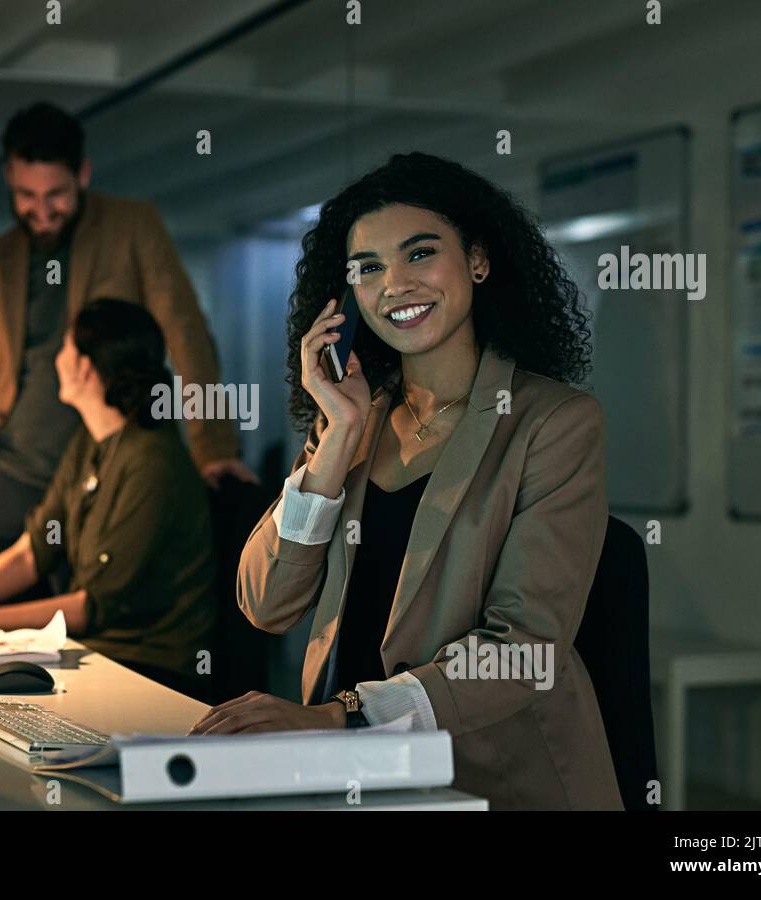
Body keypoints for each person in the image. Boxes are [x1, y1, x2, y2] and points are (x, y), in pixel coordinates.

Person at [190, 152, 623, 810]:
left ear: (477, 261)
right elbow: (266, 602)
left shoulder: (554, 423)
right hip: (351, 775)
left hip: (488, 779)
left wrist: (343, 715)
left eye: (420, 254)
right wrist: (336, 439)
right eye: (367, 269)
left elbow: (523, 648)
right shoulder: (354, 419)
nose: (394, 286)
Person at [0, 101, 255, 574]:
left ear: (82, 174)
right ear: (8, 180)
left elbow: (188, 337)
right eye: (25, 195)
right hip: (5, 475)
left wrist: (214, 450)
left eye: (55, 194)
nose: (41, 210)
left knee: (91, 628)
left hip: (106, 465)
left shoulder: (132, 226)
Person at [0, 299, 216, 696]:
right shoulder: (89, 442)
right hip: (101, 653)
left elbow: (92, 605)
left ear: (84, 367)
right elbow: (31, 552)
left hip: (151, 668)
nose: (57, 359)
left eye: (65, 348)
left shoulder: (153, 463)